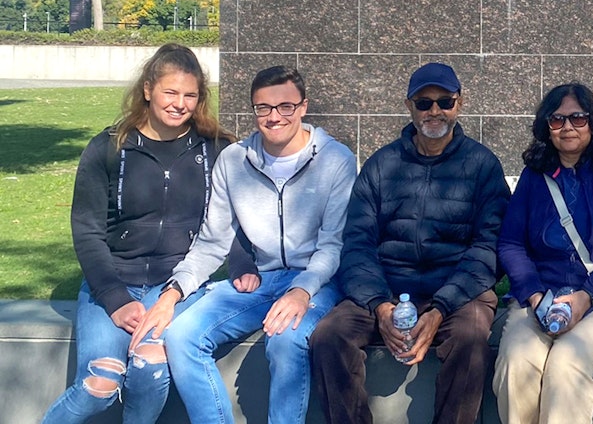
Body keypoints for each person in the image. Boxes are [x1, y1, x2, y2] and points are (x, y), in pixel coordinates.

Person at [129, 65, 357, 424]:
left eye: (285, 106)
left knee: (285, 338)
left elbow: (333, 245)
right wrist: (172, 295)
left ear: (303, 107)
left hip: (319, 282)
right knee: (181, 335)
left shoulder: (335, 159)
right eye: (263, 108)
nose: (274, 116)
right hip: (264, 279)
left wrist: (301, 291)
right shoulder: (234, 160)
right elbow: (211, 241)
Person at [43, 43, 236, 424]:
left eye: (190, 95)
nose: (180, 104)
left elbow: (237, 220)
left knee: (149, 367)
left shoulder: (217, 149)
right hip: (113, 282)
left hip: (176, 287)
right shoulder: (108, 147)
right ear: (148, 89)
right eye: (170, 92)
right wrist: (115, 299)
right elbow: (87, 232)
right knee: (100, 382)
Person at [309, 61, 510, 424]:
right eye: (424, 103)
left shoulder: (483, 166)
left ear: (459, 104)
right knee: (328, 335)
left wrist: (441, 309)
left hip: (458, 291)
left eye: (444, 101)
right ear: (409, 107)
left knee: (470, 338)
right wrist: (380, 305)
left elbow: (488, 249)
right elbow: (357, 243)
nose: (435, 110)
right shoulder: (382, 166)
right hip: (387, 286)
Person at [493, 83, 593, 424]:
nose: (567, 127)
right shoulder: (534, 176)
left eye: (578, 118)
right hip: (543, 294)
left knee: (567, 363)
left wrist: (586, 295)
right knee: (516, 362)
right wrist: (535, 296)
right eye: (557, 119)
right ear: (546, 126)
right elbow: (511, 242)